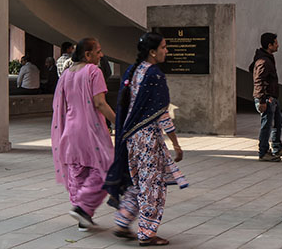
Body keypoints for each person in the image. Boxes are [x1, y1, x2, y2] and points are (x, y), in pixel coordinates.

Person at [105, 32, 186, 246]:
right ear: (152, 52)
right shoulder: (154, 75)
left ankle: (123, 220)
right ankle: (147, 233)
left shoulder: (132, 71)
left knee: (139, 182)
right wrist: (176, 143)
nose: (166, 51)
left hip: (132, 138)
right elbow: (162, 113)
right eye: (163, 47)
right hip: (148, 140)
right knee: (153, 187)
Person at [52, 37, 116, 230]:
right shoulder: (93, 71)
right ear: (87, 55)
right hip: (90, 129)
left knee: (79, 172)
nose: (101, 55)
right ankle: (82, 208)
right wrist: (118, 121)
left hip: (70, 131)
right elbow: (99, 103)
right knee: (107, 167)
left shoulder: (66, 74)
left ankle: (82, 218)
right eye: (98, 51)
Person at [251, 32, 282, 161]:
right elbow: (258, 80)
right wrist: (262, 100)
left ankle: (277, 147)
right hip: (267, 98)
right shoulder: (263, 61)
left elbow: (251, 69)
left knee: (278, 122)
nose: (278, 45)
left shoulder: (266, 57)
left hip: (272, 97)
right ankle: (263, 152)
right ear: (269, 45)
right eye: (276, 43)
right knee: (267, 126)